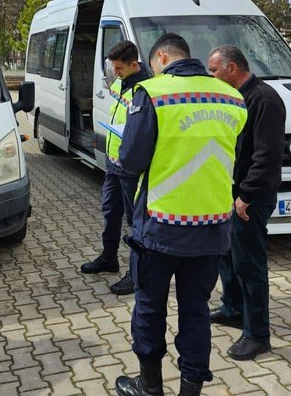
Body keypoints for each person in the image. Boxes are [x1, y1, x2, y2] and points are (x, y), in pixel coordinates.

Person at [115, 33, 247, 396]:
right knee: (196, 310)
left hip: (160, 228)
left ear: (161, 57)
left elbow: (130, 160)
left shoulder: (152, 93)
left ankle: (150, 387)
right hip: (212, 229)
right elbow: (235, 156)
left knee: (149, 308)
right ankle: (191, 391)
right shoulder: (232, 97)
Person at [207, 45, 286, 361]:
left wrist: (246, 195)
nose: (211, 75)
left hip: (250, 198)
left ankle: (257, 334)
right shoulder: (233, 97)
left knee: (249, 265)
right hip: (231, 193)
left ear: (232, 68)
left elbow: (266, 156)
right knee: (227, 256)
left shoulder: (264, 99)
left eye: (214, 69)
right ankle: (233, 308)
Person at [80, 40, 152, 295]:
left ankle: (136, 273)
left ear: (134, 64)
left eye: (120, 68)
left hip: (131, 168)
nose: (116, 73)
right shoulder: (121, 83)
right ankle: (109, 258)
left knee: (135, 222)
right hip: (113, 164)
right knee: (110, 212)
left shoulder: (147, 88)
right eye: (114, 68)